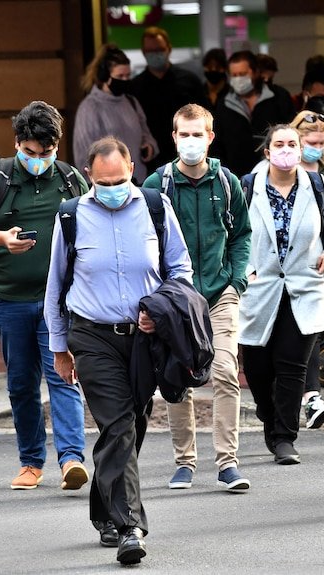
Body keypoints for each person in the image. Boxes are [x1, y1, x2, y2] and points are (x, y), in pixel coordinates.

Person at [44, 136, 193, 564]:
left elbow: (180, 269)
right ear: (89, 175)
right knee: (120, 422)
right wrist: (59, 347)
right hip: (91, 336)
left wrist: (159, 311)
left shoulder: (155, 207)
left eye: (122, 180)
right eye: (105, 181)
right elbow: (55, 286)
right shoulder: (71, 216)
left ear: (133, 170)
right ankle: (131, 526)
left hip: (145, 338)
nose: (114, 188)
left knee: (131, 426)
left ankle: (104, 508)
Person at [0, 102, 89, 490]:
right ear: (18, 143)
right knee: (20, 383)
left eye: (46, 153)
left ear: (57, 146)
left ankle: (71, 459)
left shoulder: (70, 180)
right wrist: (1, 238)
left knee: (63, 378)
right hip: (9, 299)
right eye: (30, 153)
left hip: (59, 302)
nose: (38, 160)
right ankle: (31, 462)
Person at [141, 104, 252, 492]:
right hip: (177, 299)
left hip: (220, 294)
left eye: (198, 134)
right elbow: (146, 243)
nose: (191, 141)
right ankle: (185, 461)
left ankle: (228, 462)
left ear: (210, 137)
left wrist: (237, 281)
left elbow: (242, 234)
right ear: (173, 138)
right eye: (184, 134)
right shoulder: (158, 185)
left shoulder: (227, 182)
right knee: (178, 377)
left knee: (224, 372)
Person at [238, 124, 324, 465]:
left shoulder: (316, 184)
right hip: (259, 288)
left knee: (292, 364)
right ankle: (270, 417)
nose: (286, 149)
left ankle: (284, 438)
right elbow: (232, 231)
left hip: (306, 286)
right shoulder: (248, 186)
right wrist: (242, 268)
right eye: (278, 144)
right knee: (257, 367)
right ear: (267, 152)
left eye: (291, 144)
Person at [287, 110, 324, 429]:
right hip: (288, 271)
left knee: (311, 332)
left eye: (322, 142)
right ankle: (305, 397)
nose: (317, 148)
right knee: (300, 333)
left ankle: (308, 397)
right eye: (312, 142)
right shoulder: (274, 174)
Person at [73, 43, 157, 184]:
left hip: (138, 180)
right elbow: (85, 155)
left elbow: (146, 134)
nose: (125, 80)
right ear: (105, 76)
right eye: (120, 76)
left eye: (128, 75)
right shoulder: (90, 107)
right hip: (109, 183)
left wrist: (149, 146)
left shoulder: (131, 102)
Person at [129, 27, 207, 171]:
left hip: (189, 154)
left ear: (169, 49)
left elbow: (206, 118)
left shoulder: (189, 81)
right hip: (150, 161)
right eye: (150, 51)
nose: (155, 54)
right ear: (143, 52)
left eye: (159, 49)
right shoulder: (135, 87)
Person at [211, 50, 295, 177]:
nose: (238, 79)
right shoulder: (224, 104)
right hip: (237, 178)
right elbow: (217, 145)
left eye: (243, 74)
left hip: (276, 175)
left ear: (256, 72)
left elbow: (293, 132)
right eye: (234, 75)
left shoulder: (278, 97)